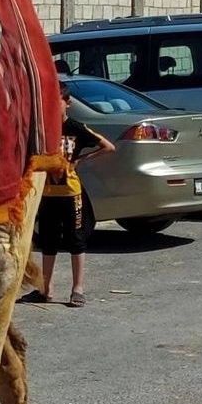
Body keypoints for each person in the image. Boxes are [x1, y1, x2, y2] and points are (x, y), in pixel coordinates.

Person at [23, 83, 116, 307]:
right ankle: (45, 288)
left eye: (57, 103)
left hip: (70, 193)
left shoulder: (76, 128)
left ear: (67, 103)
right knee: (48, 242)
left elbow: (108, 146)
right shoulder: (43, 130)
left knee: (76, 240)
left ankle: (78, 288)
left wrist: (81, 160)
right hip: (47, 194)